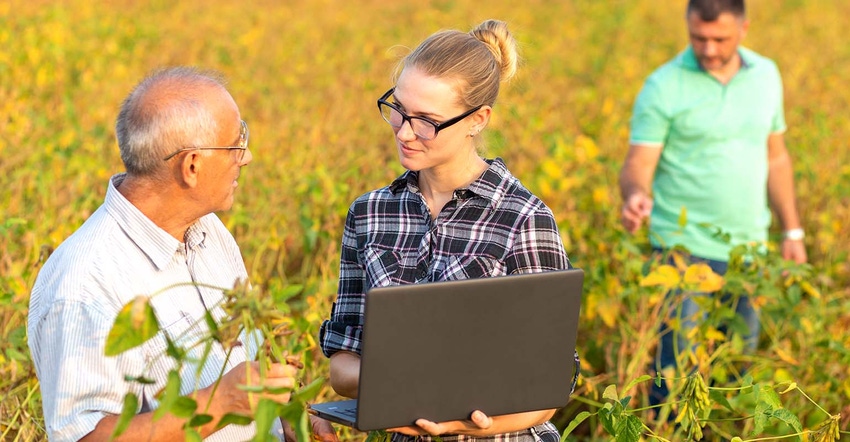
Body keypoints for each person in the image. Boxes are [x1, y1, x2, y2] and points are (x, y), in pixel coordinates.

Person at [27, 67, 337, 442]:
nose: (247, 156)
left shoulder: (208, 230)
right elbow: (85, 437)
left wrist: (290, 420)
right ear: (192, 166)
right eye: (236, 144)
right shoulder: (83, 286)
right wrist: (218, 403)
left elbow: (244, 373)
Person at [319, 20, 578, 442]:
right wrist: (419, 386)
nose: (404, 132)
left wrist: (458, 425)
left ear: (478, 119)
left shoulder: (523, 218)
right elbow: (343, 367)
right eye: (398, 110)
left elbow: (546, 390)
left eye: (426, 121)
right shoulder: (369, 214)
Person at [618, 0, 808, 406]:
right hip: (681, 254)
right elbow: (638, 164)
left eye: (719, 39)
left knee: (736, 375)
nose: (707, 49)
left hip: (749, 253)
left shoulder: (766, 76)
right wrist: (635, 196)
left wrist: (792, 230)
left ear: (744, 29)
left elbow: (776, 155)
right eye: (697, 38)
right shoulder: (664, 85)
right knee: (674, 379)